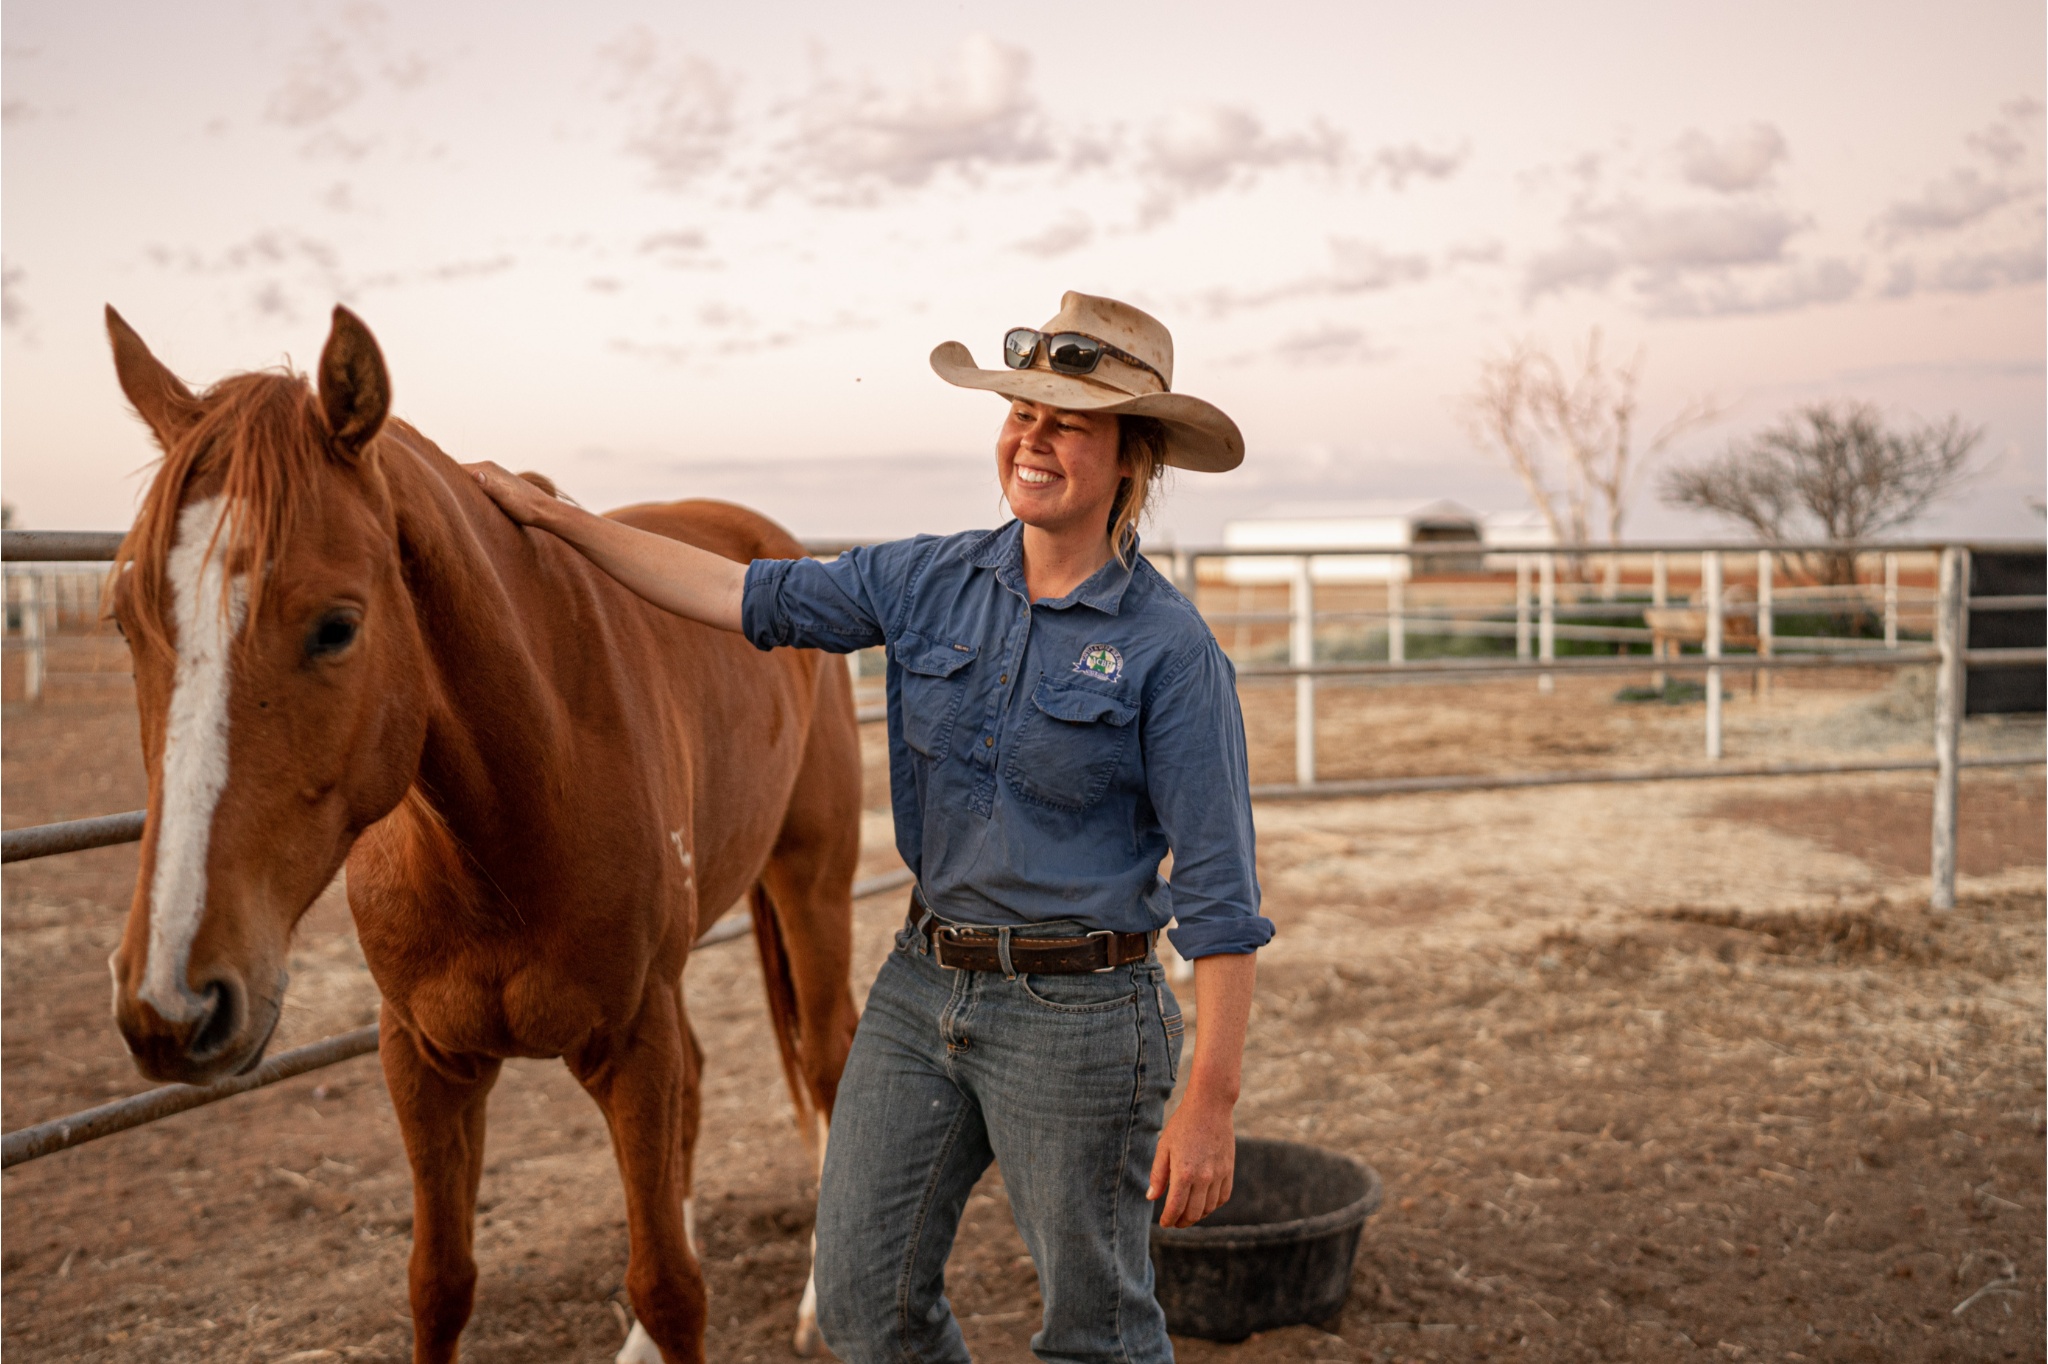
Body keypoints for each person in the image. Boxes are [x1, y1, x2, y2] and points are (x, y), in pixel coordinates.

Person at [470, 291, 1270, 1364]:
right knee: (860, 1303)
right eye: (1019, 412)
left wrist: (1208, 1099)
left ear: (1130, 458)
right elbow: (734, 591)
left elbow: (1219, 896)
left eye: (1068, 421)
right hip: (921, 986)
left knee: (1096, 1327)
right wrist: (563, 522)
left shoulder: (1168, 651)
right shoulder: (926, 579)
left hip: (1081, 1018)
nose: (1031, 436)